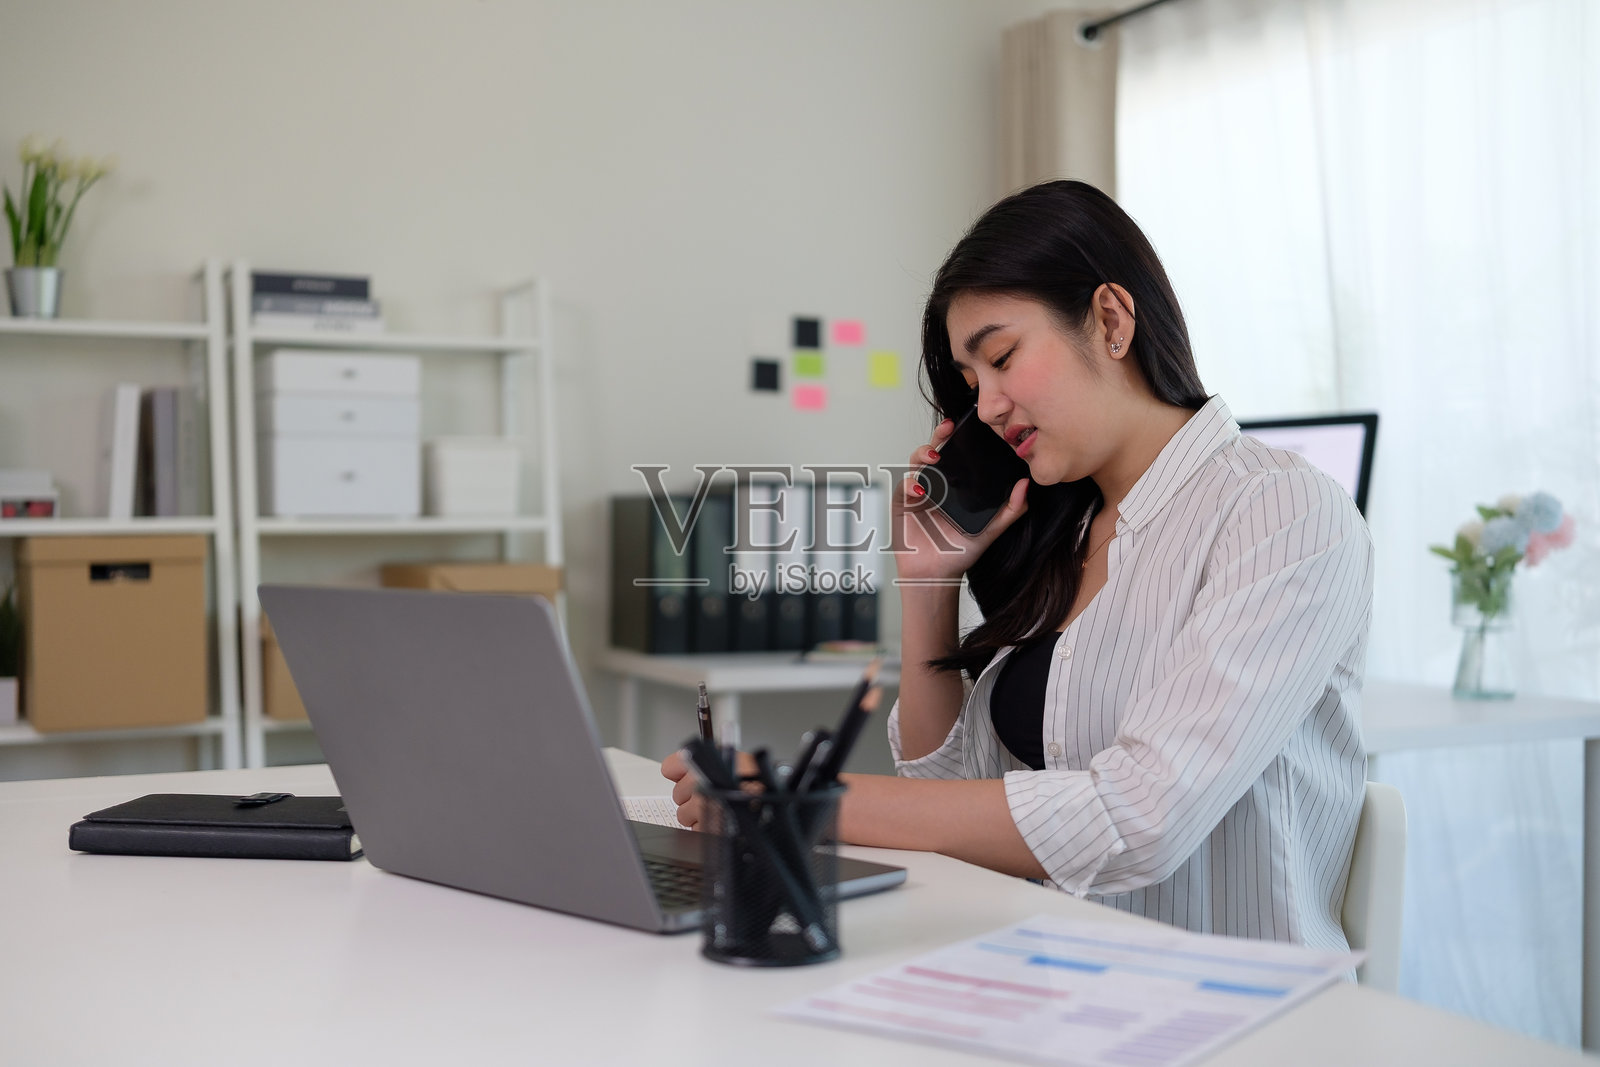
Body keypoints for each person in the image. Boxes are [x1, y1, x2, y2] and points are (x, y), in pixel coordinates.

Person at [664, 180, 1373, 950]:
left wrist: (799, 803)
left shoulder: (1282, 512)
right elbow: (946, 804)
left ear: (1110, 318)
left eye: (1001, 357)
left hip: (1227, 1014)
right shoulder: (1059, 533)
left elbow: (1136, 821)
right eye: (972, 385)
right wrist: (928, 580)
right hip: (1050, 983)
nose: (990, 406)